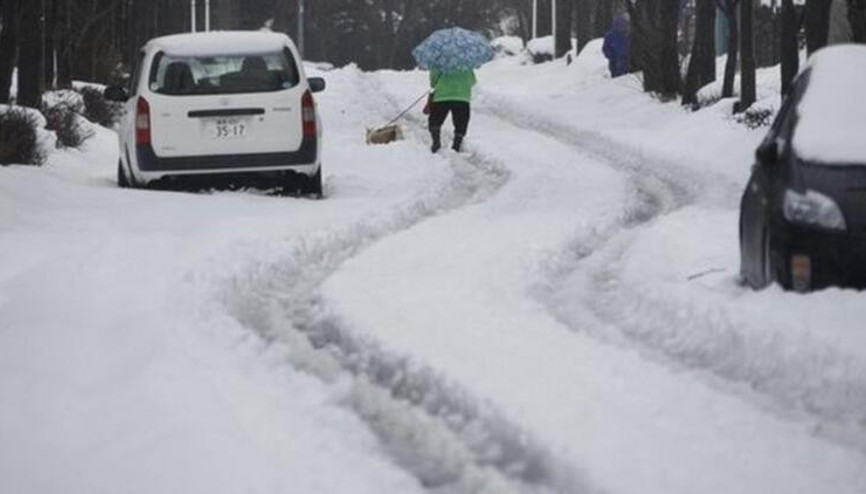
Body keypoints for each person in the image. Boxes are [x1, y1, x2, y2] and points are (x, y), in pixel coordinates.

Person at [427, 68, 476, 153]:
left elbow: (433, 81)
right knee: (461, 122)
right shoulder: (466, 63)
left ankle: (436, 142)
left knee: (435, 120)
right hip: (462, 97)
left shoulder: (440, 60)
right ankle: (456, 146)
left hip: (442, 96)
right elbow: (472, 81)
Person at [602, 14, 631, 78]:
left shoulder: (630, 34)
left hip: (630, 64)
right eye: (620, 25)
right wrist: (612, 56)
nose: (622, 27)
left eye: (624, 25)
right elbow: (605, 49)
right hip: (615, 64)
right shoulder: (610, 35)